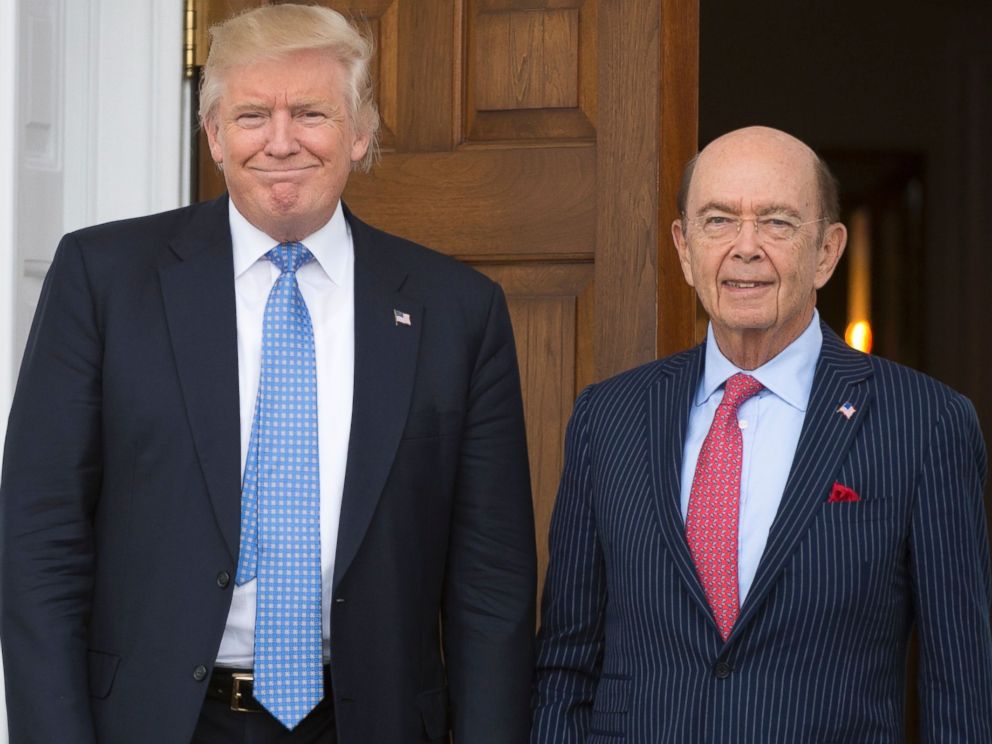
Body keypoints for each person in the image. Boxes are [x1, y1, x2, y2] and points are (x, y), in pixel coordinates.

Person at [0, 5, 535, 743]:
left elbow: (492, 588)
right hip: (157, 722)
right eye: (252, 114)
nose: (280, 141)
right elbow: (39, 541)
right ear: (214, 135)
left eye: (311, 112)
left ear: (360, 133)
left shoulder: (456, 313)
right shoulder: (104, 281)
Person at [532, 125, 992, 742]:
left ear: (827, 251)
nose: (745, 248)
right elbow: (567, 664)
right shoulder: (607, 418)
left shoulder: (926, 422)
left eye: (777, 222)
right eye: (718, 221)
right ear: (684, 248)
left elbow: (958, 685)